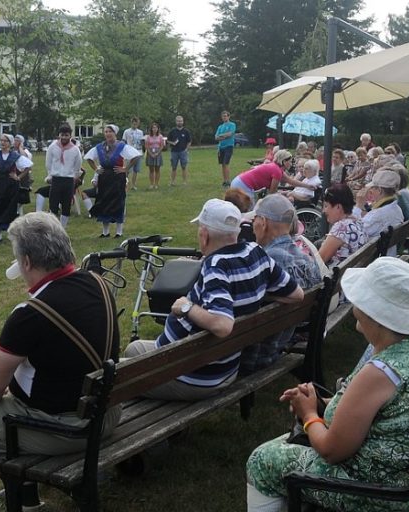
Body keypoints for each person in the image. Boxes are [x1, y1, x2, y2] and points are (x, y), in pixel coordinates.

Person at [0, 212, 120, 512]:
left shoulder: (30, 314)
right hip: (108, 412)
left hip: (72, 430)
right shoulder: (99, 283)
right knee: (20, 395)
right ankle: (23, 494)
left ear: (26, 262)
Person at [246, 257, 409, 512]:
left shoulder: (380, 372)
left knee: (262, 460)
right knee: (278, 447)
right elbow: (377, 410)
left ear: (369, 309)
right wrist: (320, 403)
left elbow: (331, 450)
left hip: (386, 492)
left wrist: (309, 414)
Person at [123, 199, 303, 400]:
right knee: (133, 350)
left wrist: (186, 306)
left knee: (118, 381)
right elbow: (297, 294)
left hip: (195, 376)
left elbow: (222, 325)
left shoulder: (216, 267)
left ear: (204, 235)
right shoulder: (256, 252)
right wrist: (254, 293)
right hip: (217, 363)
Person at [240, 195, 322, 374]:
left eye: (254, 219)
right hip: (281, 342)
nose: (253, 225)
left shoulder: (265, 261)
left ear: (263, 222)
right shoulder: (307, 257)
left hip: (257, 354)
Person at [83, 124, 142, 238]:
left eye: (110, 131)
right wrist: (96, 169)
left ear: (115, 133)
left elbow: (136, 156)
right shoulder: (100, 147)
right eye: (106, 131)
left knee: (118, 202)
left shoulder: (121, 146)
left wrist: (125, 169)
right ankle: (105, 232)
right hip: (104, 178)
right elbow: (89, 158)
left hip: (117, 178)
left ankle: (119, 232)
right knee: (104, 202)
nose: (108, 134)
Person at [0, 133, 34, 242]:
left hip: (11, 185)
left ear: (10, 143)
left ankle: (10, 232)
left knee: (10, 207)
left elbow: (28, 166)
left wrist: (18, 177)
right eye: (1, 140)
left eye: (5, 141)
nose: (3, 143)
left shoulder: (15, 156)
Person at [231, 150, 317, 207]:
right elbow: (272, 193)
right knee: (250, 209)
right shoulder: (277, 171)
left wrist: (307, 186)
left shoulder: (275, 168)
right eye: (290, 161)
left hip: (239, 181)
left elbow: (291, 181)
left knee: (244, 208)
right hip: (244, 184)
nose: (291, 164)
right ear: (284, 161)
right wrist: (284, 194)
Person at [38, 125, 82, 227]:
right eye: (62, 135)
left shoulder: (75, 149)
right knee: (53, 204)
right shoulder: (53, 147)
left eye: (66, 135)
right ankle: (54, 227)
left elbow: (78, 164)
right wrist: (50, 174)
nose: (64, 138)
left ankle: (63, 227)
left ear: (70, 136)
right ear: (59, 135)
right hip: (56, 179)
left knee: (66, 205)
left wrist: (74, 175)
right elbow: (48, 163)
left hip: (68, 180)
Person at [356, 169, 405, 256]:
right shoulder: (396, 208)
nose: (370, 191)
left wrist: (358, 206)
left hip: (372, 260)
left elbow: (354, 234)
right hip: (387, 255)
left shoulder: (379, 214)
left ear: (379, 190)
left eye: (373, 188)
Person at [318, 184, 367, 267]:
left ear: (338, 207)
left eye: (326, 206)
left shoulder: (341, 228)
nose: (323, 211)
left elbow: (318, 262)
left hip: (337, 277)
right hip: (351, 273)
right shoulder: (357, 221)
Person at [167, 115, 192, 186]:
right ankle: (172, 182)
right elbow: (168, 141)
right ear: (176, 122)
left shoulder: (186, 131)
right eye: (178, 121)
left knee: (184, 167)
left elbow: (189, 141)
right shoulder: (172, 131)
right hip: (174, 151)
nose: (179, 122)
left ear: (183, 122)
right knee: (173, 167)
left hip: (183, 152)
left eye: (181, 121)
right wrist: (173, 143)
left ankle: (184, 182)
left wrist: (186, 149)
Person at [13, 134, 34, 215]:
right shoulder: (11, 151)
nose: (15, 142)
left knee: (22, 195)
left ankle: (17, 209)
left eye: (17, 140)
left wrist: (20, 148)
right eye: (14, 140)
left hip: (23, 177)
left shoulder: (26, 152)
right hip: (12, 175)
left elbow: (25, 161)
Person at [216, 111, 237, 187]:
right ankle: (224, 181)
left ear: (229, 117)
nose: (224, 117)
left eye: (226, 116)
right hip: (221, 147)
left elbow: (230, 134)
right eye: (223, 116)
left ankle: (228, 181)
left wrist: (221, 136)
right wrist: (223, 136)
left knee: (226, 163)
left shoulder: (232, 125)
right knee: (222, 164)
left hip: (229, 146)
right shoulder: (220, 127)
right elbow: (216, 137)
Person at [123, 117, 144, 191]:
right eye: (133, 123)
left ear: (138, 124)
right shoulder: (126, 131)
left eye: (136, 123)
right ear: (131, 123)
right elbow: (124, 142)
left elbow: (142, 142)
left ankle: (133, 185)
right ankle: (125, 184)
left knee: (136, 170)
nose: (135, 124)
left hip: (138, 152)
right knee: (127, 169)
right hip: (129, 153)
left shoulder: (140, 132)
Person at [144, 121, 165, 189]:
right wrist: (150, 153)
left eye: (156, 128)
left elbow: (162, 146)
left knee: (157, 169)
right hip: (150, 153)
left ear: (158, 129)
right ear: (151, 129)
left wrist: (157, 153)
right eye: (153, 128)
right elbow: (146, 146)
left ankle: (156, 184)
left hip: (158, 153)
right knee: (151, 170)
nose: (155, 129)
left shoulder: (160, 136)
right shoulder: (148, 137)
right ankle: (151, 184)